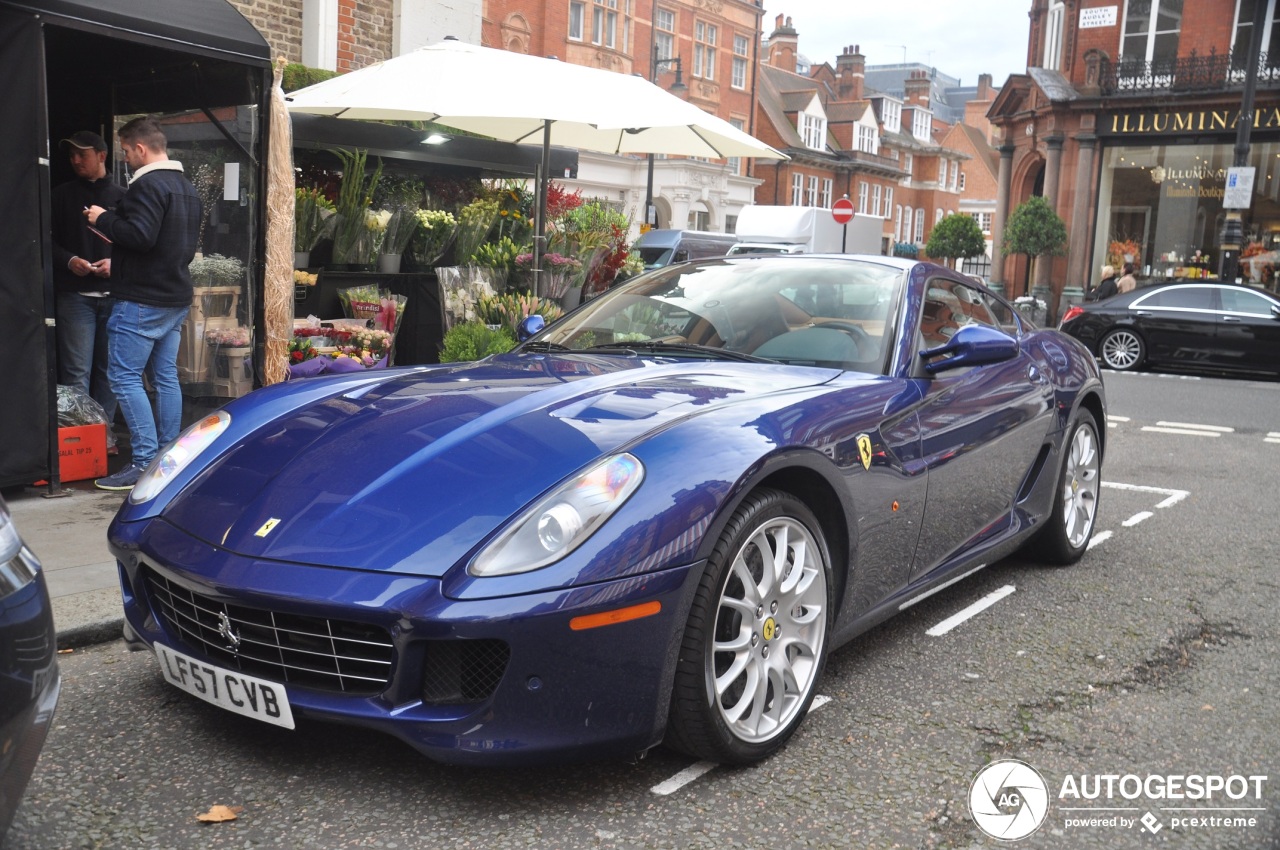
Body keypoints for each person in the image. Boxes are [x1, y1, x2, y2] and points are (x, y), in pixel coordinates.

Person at [85, 116, 201, 491]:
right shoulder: (186, 187)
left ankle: (144, 462)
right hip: (174, 296)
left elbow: (140, 236)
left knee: (123, 376)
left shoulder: (147, 185)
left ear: (139, 148)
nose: (124, 158)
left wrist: (104, 219)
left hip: (141, 299)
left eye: (124, 150)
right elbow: (167, 243)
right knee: (166, 377)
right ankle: (170, 458)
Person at [51, 131, 126, 453]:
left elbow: (136, 242)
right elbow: (41, 241)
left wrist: (116, 263)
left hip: (114, 296)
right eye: (71, 155)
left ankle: (104, 438)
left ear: (102, 155)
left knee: (109, 372)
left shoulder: (124, 197)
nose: (75, 160)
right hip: (74, 296)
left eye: (82, 154)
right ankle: (80, 442)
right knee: (76, 372)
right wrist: (70, 261)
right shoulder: (59, 195)